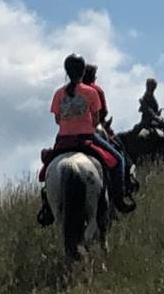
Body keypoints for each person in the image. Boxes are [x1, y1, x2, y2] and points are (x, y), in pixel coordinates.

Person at [38, 54, 134, 225]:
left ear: (66, 72)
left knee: (46, 170)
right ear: (83, 72)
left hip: (63, 140)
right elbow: (97, 119)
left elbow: (57, 119)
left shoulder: (58, 94)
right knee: (118, 160)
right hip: (86, 138)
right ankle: (120, 201)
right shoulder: (91, 92)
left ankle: (47, 208)